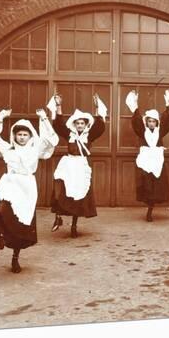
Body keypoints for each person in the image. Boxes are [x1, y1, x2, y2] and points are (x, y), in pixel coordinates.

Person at [0, 108, 58, 273]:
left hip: (26, 187)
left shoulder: (35, 149)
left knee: (20, 223)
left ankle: (15, 258)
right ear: (14, 136)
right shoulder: (8, 149)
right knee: (1, 208)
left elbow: (52, 140)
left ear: (31, 136)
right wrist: (0, 118)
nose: (22, 137)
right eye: (19, 134)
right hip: (9, 183)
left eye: (25, 134)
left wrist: (44, 119)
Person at [48, 93, 107, 238]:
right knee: (60, 187)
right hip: (68, 164)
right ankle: (58, 217)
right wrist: (59, 106)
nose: (80, 126)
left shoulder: (89, 135)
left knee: (79, 195)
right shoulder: (70, 134)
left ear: (86, 124)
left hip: (81, 165)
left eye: (82, 123)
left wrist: (97, 107)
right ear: (74, 124)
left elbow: (100, 126)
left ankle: (74, 225)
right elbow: (59, 125)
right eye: (78, 123)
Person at [126, 89, 169, 222]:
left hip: (157, 160)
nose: (151, 123)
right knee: (146, 184)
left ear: (157, 122)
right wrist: (135, 107)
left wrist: (167, 105)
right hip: (146, 159)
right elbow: (136, 121)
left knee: (156, 184)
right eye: (149, 121)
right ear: (146, 122)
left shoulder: (160, 131)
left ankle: (151, 208)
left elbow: (167, 120)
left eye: (154, 121)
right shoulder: (143, 131)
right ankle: (149, 206)